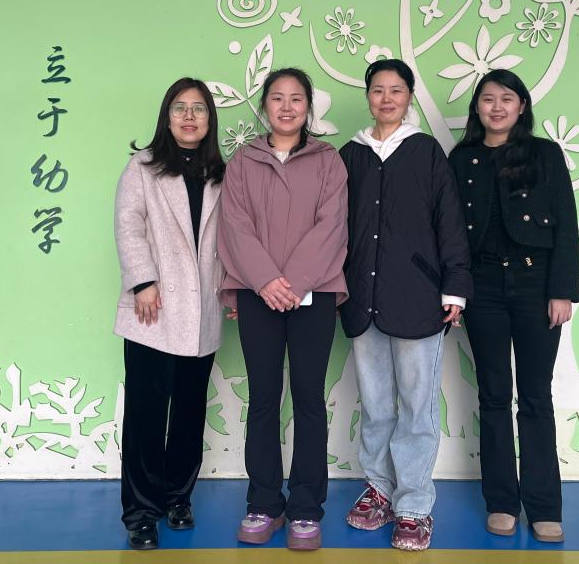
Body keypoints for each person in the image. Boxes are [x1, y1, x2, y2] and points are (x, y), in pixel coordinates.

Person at [339, 59, 472, 552]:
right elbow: (332, 226)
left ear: (409, 97)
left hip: (418, 296)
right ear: (368, 96)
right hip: (362, 298)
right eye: (378, 90)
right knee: (375, 405)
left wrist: (454, 287)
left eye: (396, 90)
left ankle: (414, 505)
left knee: (417, 407)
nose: (386, 99)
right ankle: (379, 489)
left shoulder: (426, 151)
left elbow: (449, 220)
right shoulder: (350, 154)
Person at [217, 67, 349, 551]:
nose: (287, 106)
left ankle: (306, 508)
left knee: (309, 399)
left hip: (314, 295)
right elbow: (234, 225)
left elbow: (332, 225)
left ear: (308, 107)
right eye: (277, 98)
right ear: (265, 106)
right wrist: (266, 281)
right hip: (258, 294)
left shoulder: (328, 160)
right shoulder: (242, 162)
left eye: (296, 98)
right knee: (264, 398)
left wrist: (292, 282)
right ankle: (264, 503)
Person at [448, 69, 579, 544]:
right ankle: (501, 503)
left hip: (535, 284)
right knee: (493, 395)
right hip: (482, 286)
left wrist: (561, 290)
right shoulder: (462, 158)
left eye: (507, 98)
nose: (497, 107)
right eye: (488, 99)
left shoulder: (544, 154)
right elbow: (449, 232)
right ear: (477, 107)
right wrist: (454, 291)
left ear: (521, 106)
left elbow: (565, 222)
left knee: (537, 397)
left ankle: (544, 507)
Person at [113, 77, 226, 551]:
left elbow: (232, 238)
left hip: (202, 309)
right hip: (153, 308)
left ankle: (178, 497)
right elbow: (128, 225)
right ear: (167, 116)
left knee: (188, 411)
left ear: (209, 119)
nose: (189, 116)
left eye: (198, 108)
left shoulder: (221, 173)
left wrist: (232, 290)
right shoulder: (142, 167)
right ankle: (141, 513)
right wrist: (142, 281)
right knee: (145, 414)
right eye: (180, 108)